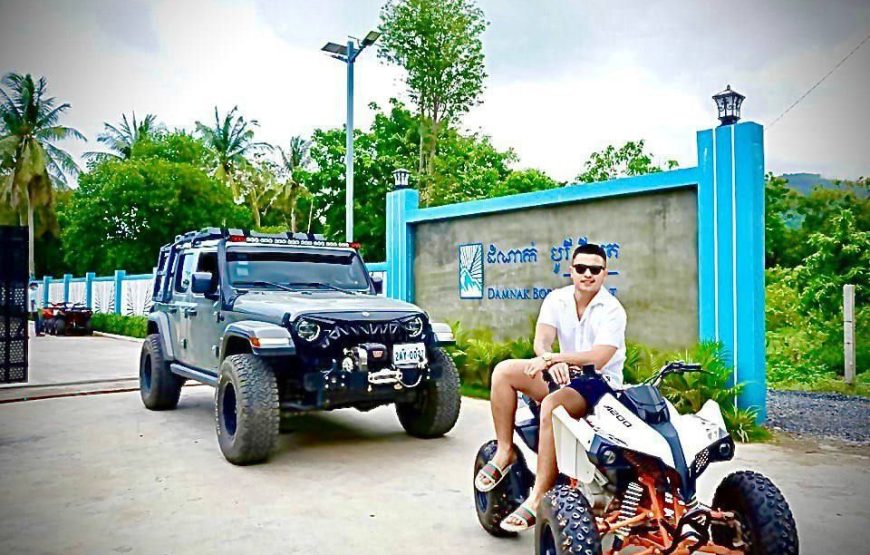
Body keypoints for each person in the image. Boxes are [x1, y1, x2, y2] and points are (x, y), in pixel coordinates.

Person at [473, 243, 626, 532]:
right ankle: (505, 451)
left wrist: (555, 358)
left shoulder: (612, 310)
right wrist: (547, 358)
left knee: (552, 405)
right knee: (504, 372)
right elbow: (541, 340)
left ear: (605, 274)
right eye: (581, 268)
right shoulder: (557, 300)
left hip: (599, 385)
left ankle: (539, 495)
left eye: (595, 269)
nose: (587, 274)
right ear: (572, 271)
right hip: (564, 374)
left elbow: (599, 357)